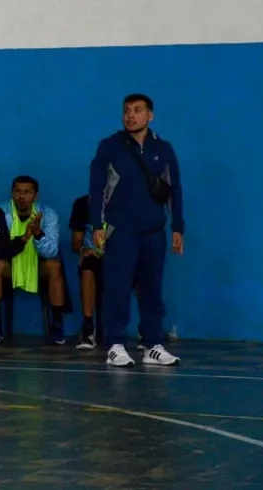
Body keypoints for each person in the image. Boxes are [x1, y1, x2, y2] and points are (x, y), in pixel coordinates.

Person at [90, 93, 184, 367]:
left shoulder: (163, 149)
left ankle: (153, 345)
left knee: (152, 289)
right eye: (127, 110)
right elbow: (96, 188)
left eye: (138, 110)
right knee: (117, 288)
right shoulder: (110, 147)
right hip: (120, 231)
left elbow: (174, 190)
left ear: (150, 115)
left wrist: (177, 226)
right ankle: (115, 344)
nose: (131, 115)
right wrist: (97, 225)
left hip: (154, 230)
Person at [0, 176, 68, 345]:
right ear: (12, 193)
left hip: (37, 265)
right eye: (17, 192)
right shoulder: (1, 212)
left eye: (27, 192)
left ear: (36, 196)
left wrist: (37, 234)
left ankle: (57, 327)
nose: (21, 196)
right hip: (11, 264)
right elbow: (0, 251)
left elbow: (51, 252)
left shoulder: (48, 215)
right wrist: (24, 237)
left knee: (54, 266)